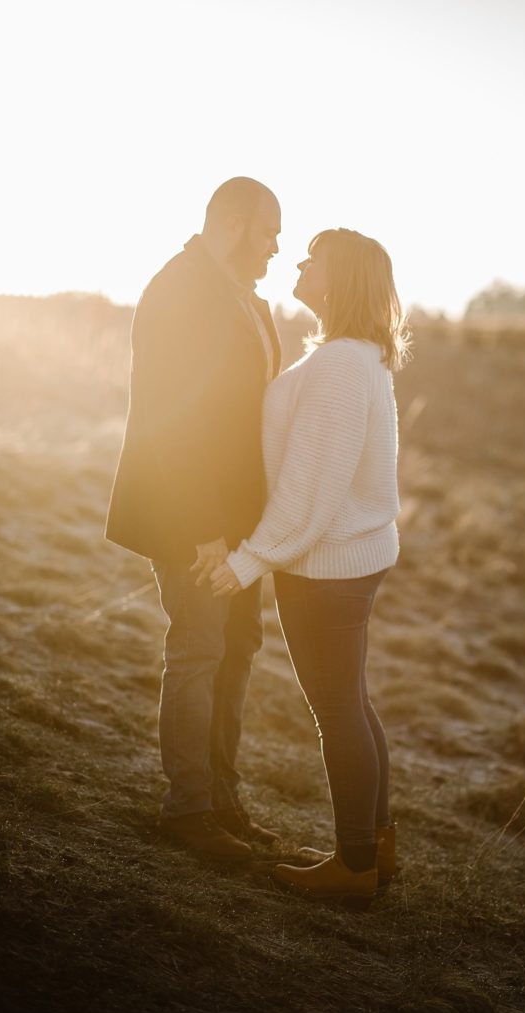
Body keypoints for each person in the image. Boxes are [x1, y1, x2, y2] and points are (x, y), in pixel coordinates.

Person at [210, 228, 409, 906]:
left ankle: (353, 865)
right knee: (351, 702)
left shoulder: (339, 365)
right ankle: (375, 849)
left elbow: (311, 486)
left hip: (326, 566)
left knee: (337, 710)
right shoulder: (354, 355)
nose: (299, 261)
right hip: (348, 557)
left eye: (314, 258)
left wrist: (249, 560)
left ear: (341, 278)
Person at [106, 177, 283, 860]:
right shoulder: (178, 290)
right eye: (269, 232)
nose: (275, 248)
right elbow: (172, 423)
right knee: (199, 649)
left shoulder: (247, 299)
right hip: (192, 518)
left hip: (243, 523)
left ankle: (223, 801)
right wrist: (205, 530)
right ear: (234, 224)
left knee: (236, 650)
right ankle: (188, 810)